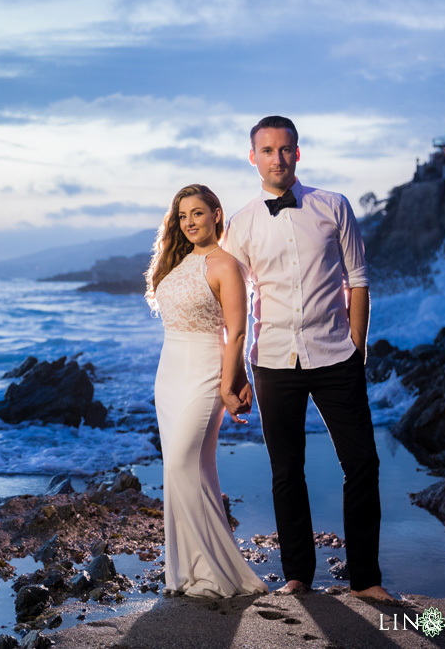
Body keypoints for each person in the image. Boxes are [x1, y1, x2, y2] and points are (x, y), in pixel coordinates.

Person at [222, 115, 393, 601]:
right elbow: (234, 309)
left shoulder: (334, 206)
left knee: (362, 463)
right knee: (286, 469)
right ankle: (298, 573)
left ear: (299, 153)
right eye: (268, 150)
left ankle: (365, 579)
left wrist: (357, 348)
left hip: (336, 355)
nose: (278, 158)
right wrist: (233, 376)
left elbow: (358, 280)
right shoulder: (241, 224)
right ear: (252, 157)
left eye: (286, 149)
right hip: (273, 360)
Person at [145, 184, 268, 597]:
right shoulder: (175, 263)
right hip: (169, 373)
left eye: (197, 213)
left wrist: (232, 383)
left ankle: (213, 570)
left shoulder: (226, 265)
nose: (189, 222)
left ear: (217, 214)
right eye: (182, 216)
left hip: (205, 371)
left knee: (183, 463)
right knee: (192, 469)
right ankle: (189, 570)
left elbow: (237, 332)